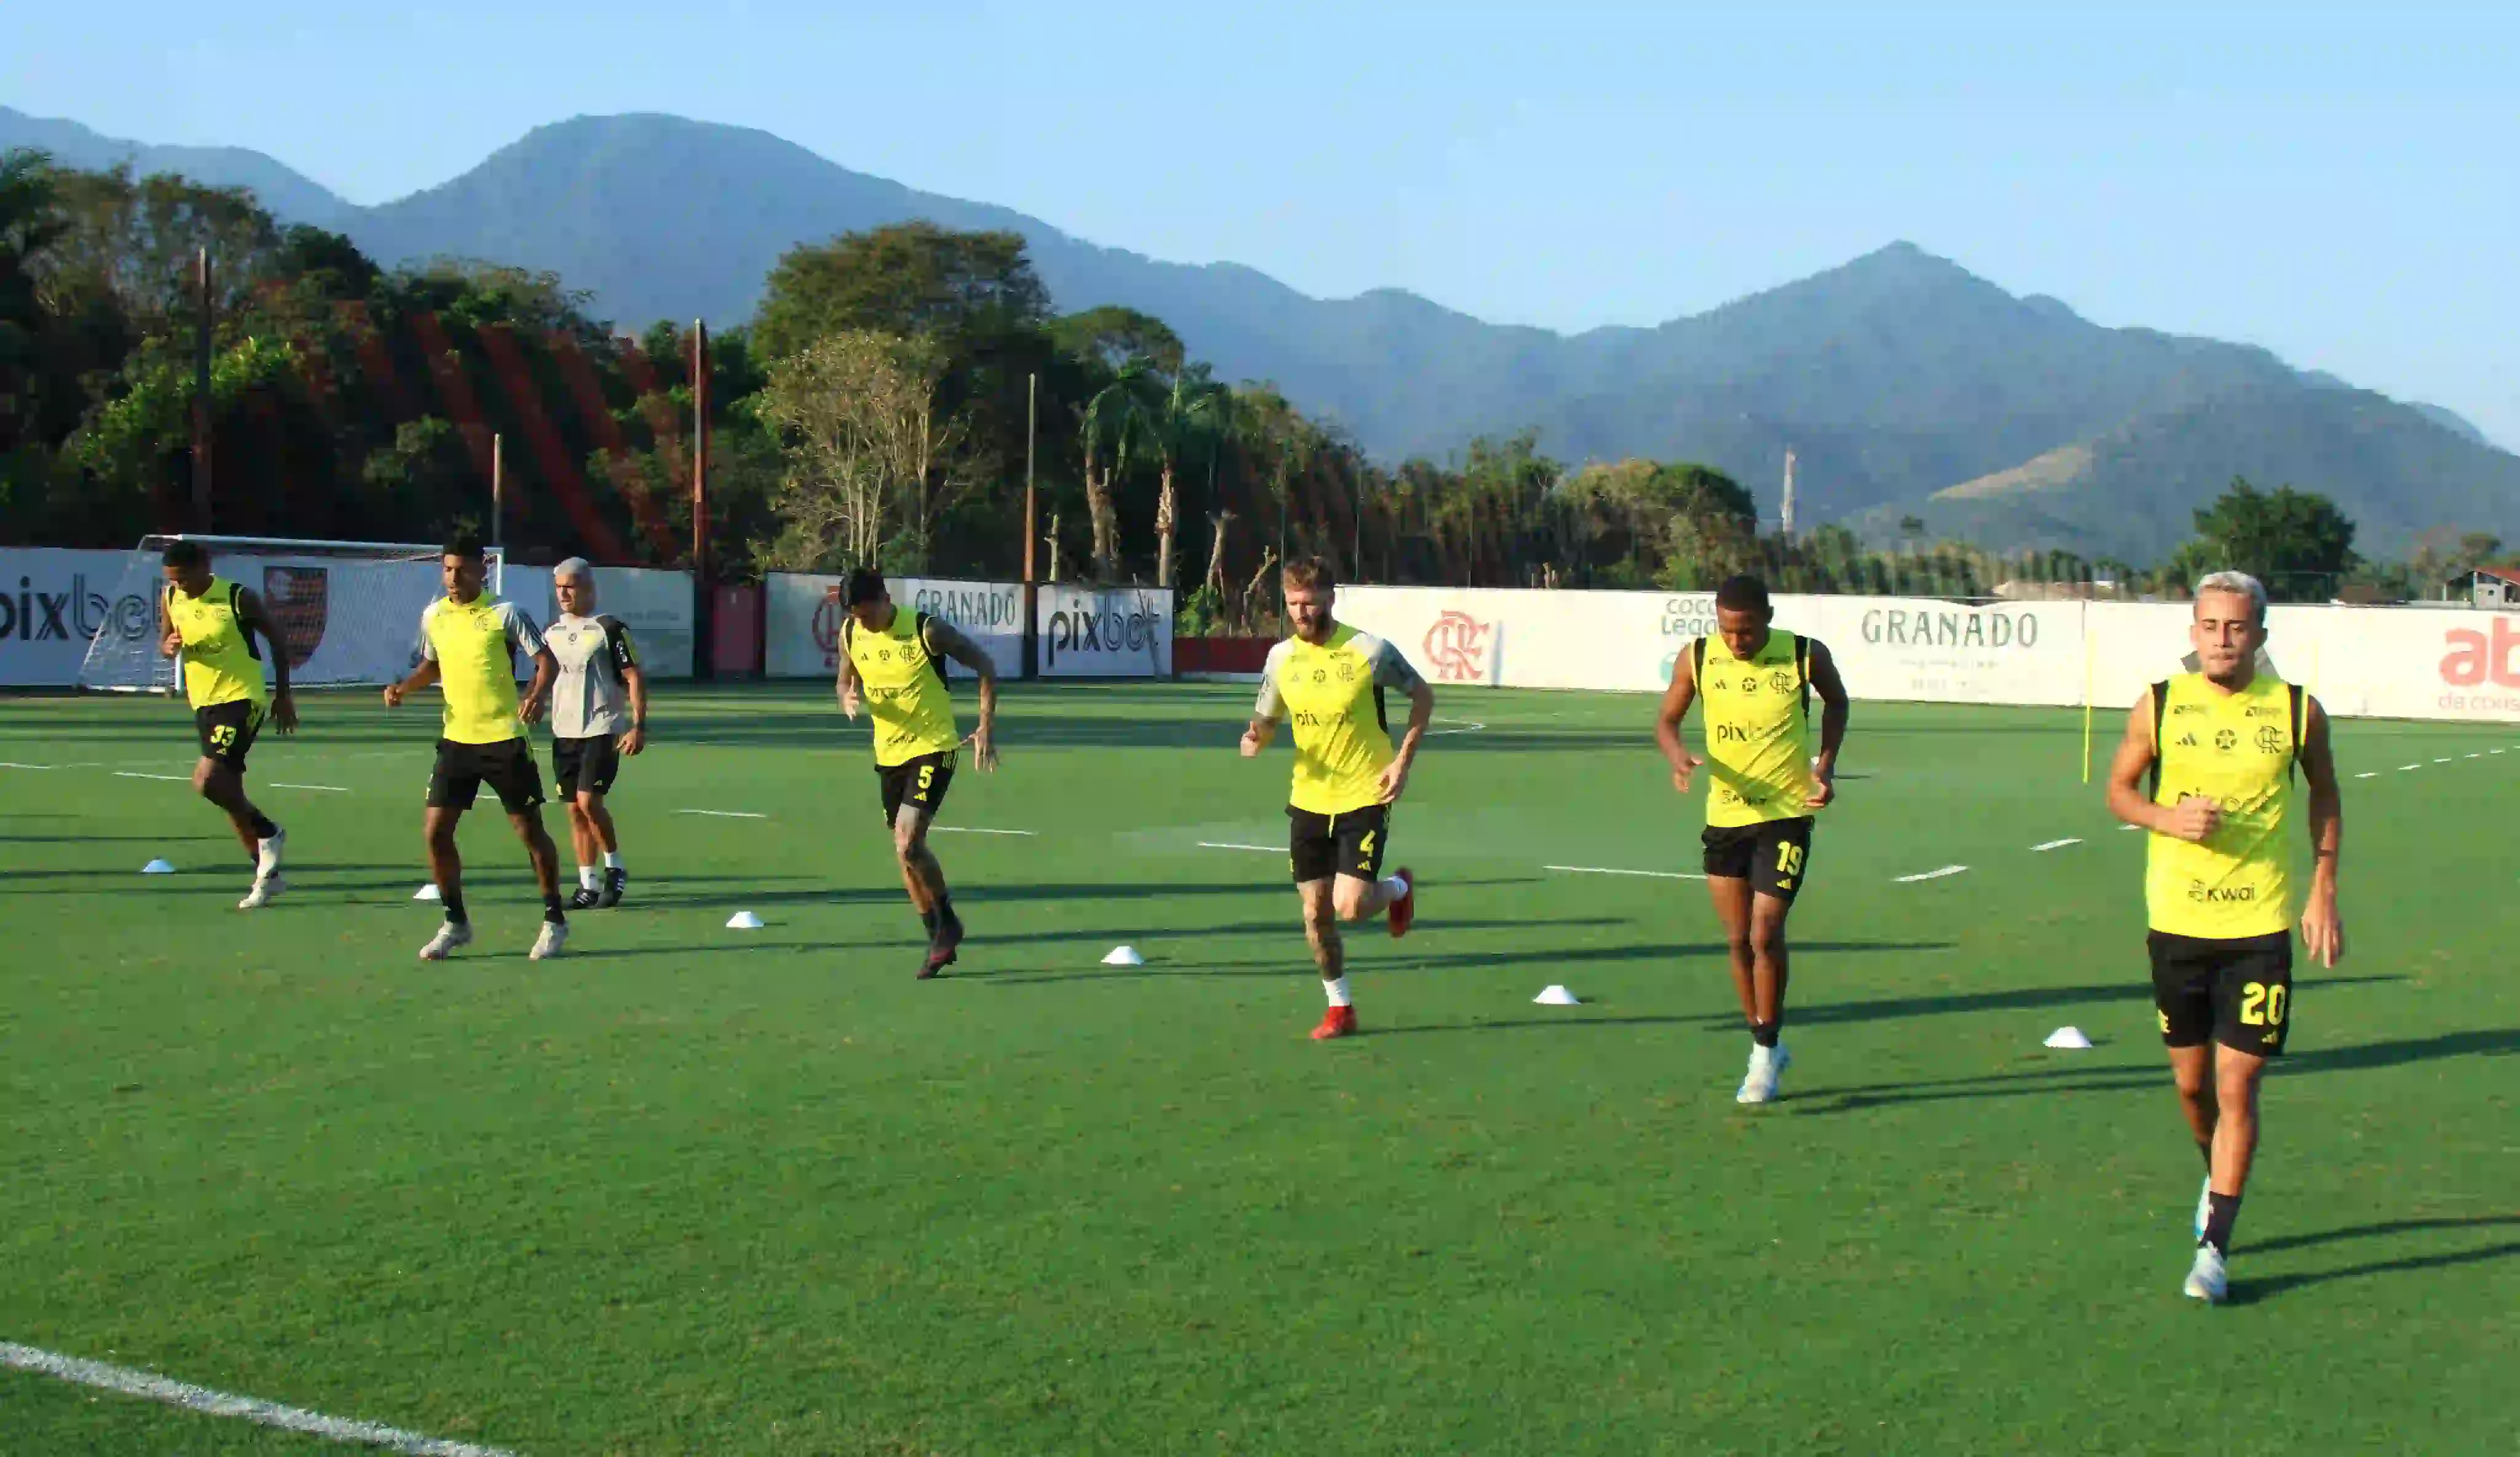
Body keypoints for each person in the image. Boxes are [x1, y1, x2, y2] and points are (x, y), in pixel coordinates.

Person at [2104, 570, 2343, 1304]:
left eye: (2236, 628)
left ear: (2259, 636)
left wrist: (2322, 888)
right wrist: (2164, 818)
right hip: (2176, 923)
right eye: (2209, 626)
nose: (2221, 639)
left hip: (2259, 927)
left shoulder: (2297, 711)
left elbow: (2325, 795)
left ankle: (2214, 1248)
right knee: (2192, 1085)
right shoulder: (2161, 703)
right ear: (2192, 632)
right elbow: (2118, 790)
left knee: (2239, 1082)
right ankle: (2217, 1173)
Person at [1653, 573, 1850, 1104]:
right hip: (1725, 815)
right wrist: (1677, 757)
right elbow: (1667, 722)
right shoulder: (1697, 657)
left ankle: (1764, 1056)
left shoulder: (1804, 654)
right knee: (1738, 939)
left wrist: (1825, 767)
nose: (1736, 642)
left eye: (1745, 631)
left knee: (1766, 934)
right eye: (1727, 631)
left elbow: (1837, 702)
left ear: (1767, 617)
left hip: (1786, 812)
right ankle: (1762, 1035)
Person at [1239, 557, 1432, 1040]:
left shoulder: (1368, 651)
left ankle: (1397, 891)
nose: (1301, 612)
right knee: (1314, 914)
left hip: (1365, 791)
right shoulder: (1281, 658)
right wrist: (1255, 738)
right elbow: (1266, 718)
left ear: (1329, 598)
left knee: (1351, 907)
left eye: (1309, 602)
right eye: (1292, 604)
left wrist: (1401, 763)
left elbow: (1423, 696)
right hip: (1307, 799)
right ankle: (1339, 1007)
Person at [383, 535, 568, 960]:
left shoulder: (505, 614)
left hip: (504, 738)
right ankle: (455, 922)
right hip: (456, 741)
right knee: (436, 832)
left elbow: (546, 662)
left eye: (461, 569)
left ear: (481, 570)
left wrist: (537, 694)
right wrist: (404, 688)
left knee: (529, 833)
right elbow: (433, 666)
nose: (453, 577)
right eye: (447, 569)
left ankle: (554, 919)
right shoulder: (435, 616)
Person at [834, 568, 1000, 978]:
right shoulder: (851, 634)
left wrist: (985, 727)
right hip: (888, 755)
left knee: (908, 842)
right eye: (855, 616)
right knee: (903, 852)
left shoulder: (928, 631)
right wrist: (848, 696)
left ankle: (948, 926)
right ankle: (939, 933)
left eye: (866, 614)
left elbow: (985, 664)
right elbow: (842, 680)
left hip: (935, 748)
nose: (862, 623)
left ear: (885, 598)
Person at [158, 539, 298, 908]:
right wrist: (169, 647)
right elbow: (166, 641)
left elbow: (279, 642)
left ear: (204, 566)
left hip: (241, 698)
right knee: (228, 792)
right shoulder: (171, 598)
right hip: (203, 702)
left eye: (183, 578)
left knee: (208, 781)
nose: (179, 585)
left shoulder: (238, 598)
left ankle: (270, 833)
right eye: (173, 579)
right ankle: (267, 875)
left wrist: (283, 695)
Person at [545, 558, 648, 909]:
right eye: (559, 586)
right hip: (564, 732)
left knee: (590, 802)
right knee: (574, 809)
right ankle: (588, 885)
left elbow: (634, 676)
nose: (564, 593)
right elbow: (546, 677)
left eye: (570, 585)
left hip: (602, 729)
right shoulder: (553, 633)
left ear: (589, 588)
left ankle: (615, 868)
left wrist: (638, 725)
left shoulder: (610, 628)